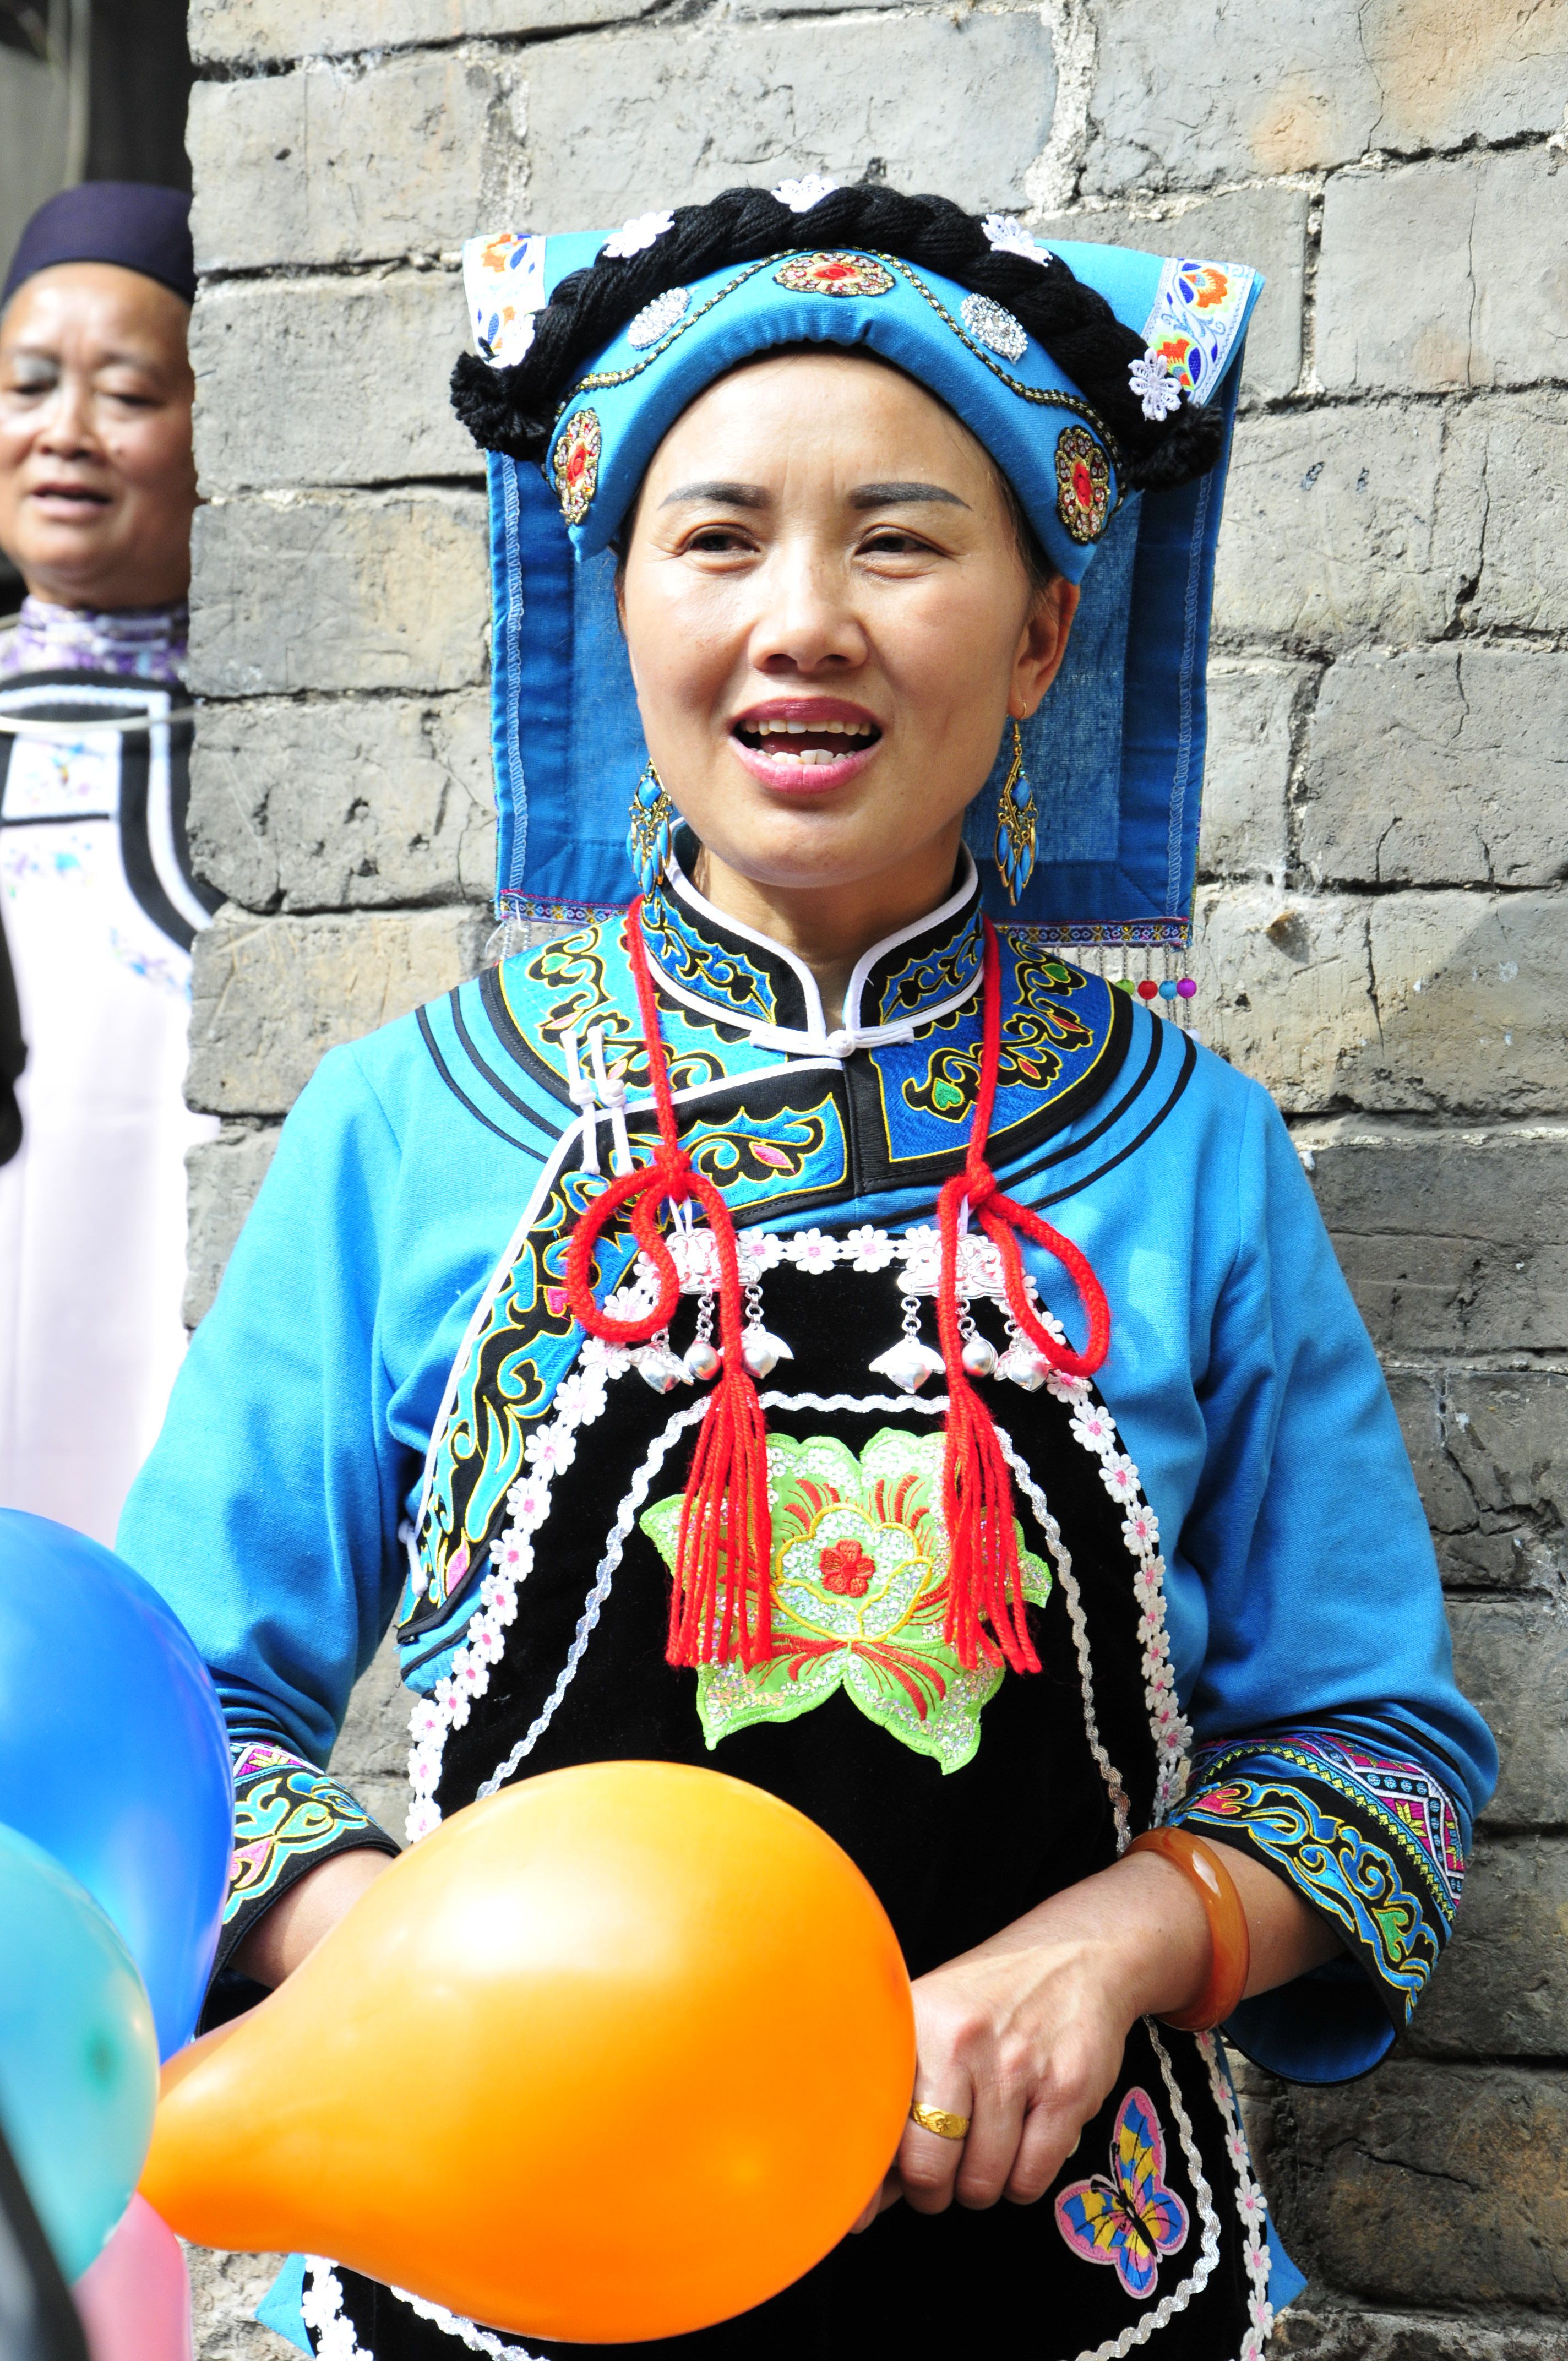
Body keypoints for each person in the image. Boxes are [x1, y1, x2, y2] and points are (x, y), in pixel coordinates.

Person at [118, 182, 1494, 2359]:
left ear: (1039, 636)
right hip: (495, 2246)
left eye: (898, 542)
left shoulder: (1189, 1155)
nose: (803, 620)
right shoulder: (407, 1129)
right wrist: (400, 1959)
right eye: (719, 537)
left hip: (1060, 2267)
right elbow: (171, 1713)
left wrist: (1110, 1948)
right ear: (617, 606)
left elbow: (1376, 1751)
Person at [0, 183, 216, 1545]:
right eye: (28, 385)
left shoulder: (254, 760)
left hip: (136, 1475)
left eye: (128, 394)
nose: (65, 433)